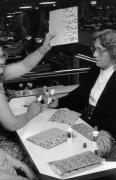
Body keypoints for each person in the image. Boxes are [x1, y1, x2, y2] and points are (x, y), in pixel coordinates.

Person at [0, 33, 55, 160]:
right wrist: (30, 113)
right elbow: (11, 124)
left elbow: (24, 66)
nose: (1, 62)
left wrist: (44, 48)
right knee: (35, 155)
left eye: (2, 56)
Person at [47, 29, 116, 158]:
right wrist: (58, 102)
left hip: (106, 133)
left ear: (113, 51)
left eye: (100, 50)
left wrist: (108, 133)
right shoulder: (96, 69)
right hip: (85, 123)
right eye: (94, 49)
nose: (95, 54)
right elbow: (79, 94)